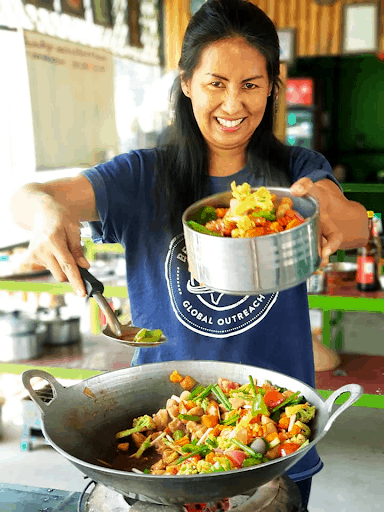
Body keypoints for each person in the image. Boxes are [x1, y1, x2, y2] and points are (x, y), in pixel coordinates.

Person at [11, 0, 368, 508]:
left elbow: (354, 226)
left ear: (272, 84)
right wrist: (47, 219)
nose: (233, 104)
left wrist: (335, 207)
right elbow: (28, 196)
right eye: (215, 83)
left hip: (275, 430)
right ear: (186, 83)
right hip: (167, 432)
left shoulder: (298, 170)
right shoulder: (141, 176)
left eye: (251, 84)